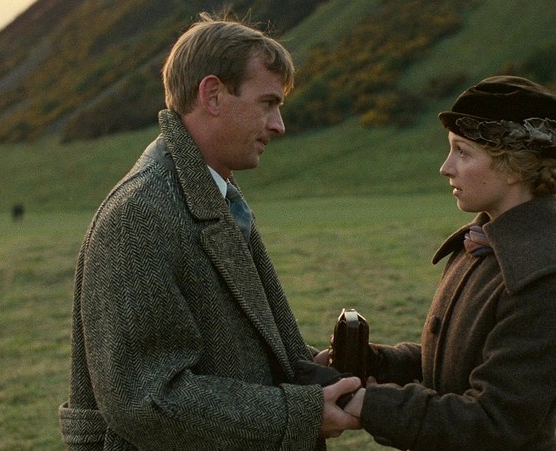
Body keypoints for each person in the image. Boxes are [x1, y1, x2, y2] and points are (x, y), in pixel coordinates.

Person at [58, 13, 361, 450]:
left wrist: (310, 371)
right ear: (213, 95)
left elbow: (232, 353)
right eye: (267, 103)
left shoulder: (214, 194)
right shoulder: (139, 216)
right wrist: (299, 413)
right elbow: (148, 399)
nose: (279, 125)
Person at [342, 75, 556, 450]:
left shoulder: (542, 279)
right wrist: (371, 364)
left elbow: (493, 422)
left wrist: (370, 405)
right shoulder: (481, 246)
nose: (446, 167)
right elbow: (453, 369)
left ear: (513, 166)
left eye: (463, 152)